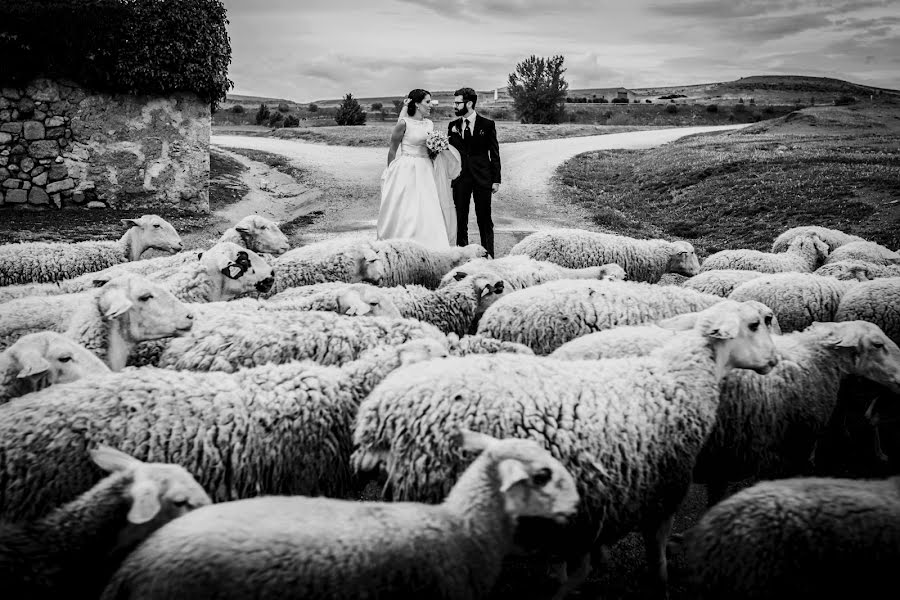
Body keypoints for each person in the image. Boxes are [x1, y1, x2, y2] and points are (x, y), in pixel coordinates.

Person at [376, 89, 455, 249]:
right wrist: (389, 171)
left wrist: (436, 148)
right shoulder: (404, 123)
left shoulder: (429, 124)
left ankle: (430, 245)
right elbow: (392, 149)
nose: (430, 105)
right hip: (407, 168)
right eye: (427, 102)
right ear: (417, 104)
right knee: (408, 207)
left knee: (428, 206)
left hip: (426, 168)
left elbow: (429, 148)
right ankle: (403, 243)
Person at [447, 87, 501, 257]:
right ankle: (462, 257)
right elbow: (449, 154)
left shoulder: (487, 124)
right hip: (460, 179)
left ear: (469, 103)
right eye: (454, 102)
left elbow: (494, 153)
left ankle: (489, 256)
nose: (454, 106)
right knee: (460, 219)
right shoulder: (452, 126)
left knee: (484, 219)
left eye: (458, 103)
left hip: (482, 179)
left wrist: (496, 179)